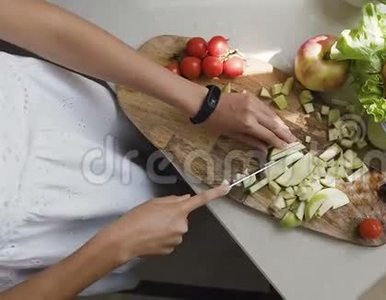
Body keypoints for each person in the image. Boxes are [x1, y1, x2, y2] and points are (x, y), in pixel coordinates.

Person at [0, 0, 296, 299]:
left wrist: (202, 103)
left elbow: (49, 29)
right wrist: (115, 247)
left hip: (66, 108)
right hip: (51, 232)